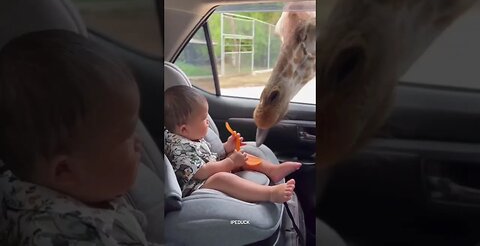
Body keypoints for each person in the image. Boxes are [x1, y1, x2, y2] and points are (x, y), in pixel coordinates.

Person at [0, 30, 154, 245]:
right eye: (126, 136)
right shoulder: (71, 237)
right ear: (65, 171)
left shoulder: (22, 181)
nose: (138, 142)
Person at [164, 85, 302, 203]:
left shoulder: (189, 135)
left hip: (210, 168)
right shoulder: (179, 148)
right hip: (197, 186)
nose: (207, 121)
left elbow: (207, 155)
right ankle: (270, 194)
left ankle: (273, 170)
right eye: (203, 119)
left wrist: (226, 147)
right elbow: (201, 172)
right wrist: (230, 162)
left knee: (240, 154)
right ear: (184, 129)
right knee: (221, 178)